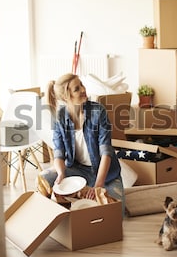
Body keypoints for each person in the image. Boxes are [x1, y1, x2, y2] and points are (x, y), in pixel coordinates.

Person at [42, 73, 125, 214]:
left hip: (105, 173)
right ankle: (59, 213)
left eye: (81, 85)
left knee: (115, 212)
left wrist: (98, 186)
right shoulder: (60, 118)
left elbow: (106, 152)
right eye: (76, 89)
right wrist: (61, 173)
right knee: (44, 178)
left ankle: (83, 194)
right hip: (77, 171)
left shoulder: (98, 111)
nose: (83, 89)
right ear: (65, 97)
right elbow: (58, 153)